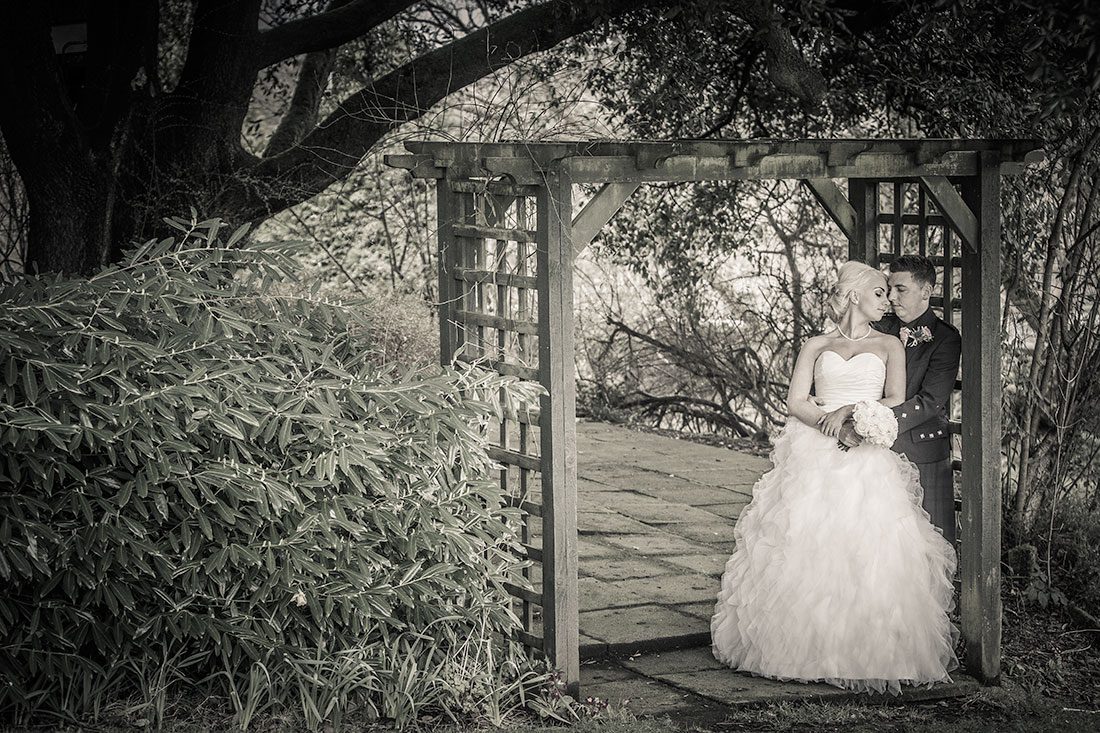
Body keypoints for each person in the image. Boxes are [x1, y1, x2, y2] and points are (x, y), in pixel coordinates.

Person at [710, 260, 960, 696]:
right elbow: (796, 401)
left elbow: (897, 397)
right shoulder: (816, 344)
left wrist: (853, 416)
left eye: (893, 291)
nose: (887, 300)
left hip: (866, 452)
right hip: (815, 450)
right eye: (880, 292)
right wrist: (830, 423)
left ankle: (865, 651)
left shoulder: (890, 344)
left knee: (866, 549)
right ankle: (799, 649)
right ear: (854, 296)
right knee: (804, 543)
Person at [824, 254, 962, 550]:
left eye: (901, 289)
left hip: (920, 449)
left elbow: (929, 402)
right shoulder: (880, 326)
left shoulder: (945, 338)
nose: (891, 297)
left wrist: (865, 423)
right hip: (869, 453)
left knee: (930, 543)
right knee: (875, 544)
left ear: (926, 291)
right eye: (888, 289)